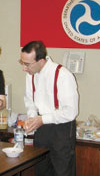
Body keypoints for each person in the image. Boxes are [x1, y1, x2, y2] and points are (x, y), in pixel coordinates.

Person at [20, 41, 79, 176]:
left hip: (62, 129)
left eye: (27, 64)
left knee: (62, 172)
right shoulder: (30, 75)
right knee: (41, 170)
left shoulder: (63, 75)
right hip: (41, 129)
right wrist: (32, 116)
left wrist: (43, 119)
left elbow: (71, 111)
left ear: (41, 61)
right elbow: (29, 99)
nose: (24, 68)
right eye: (22, 62)